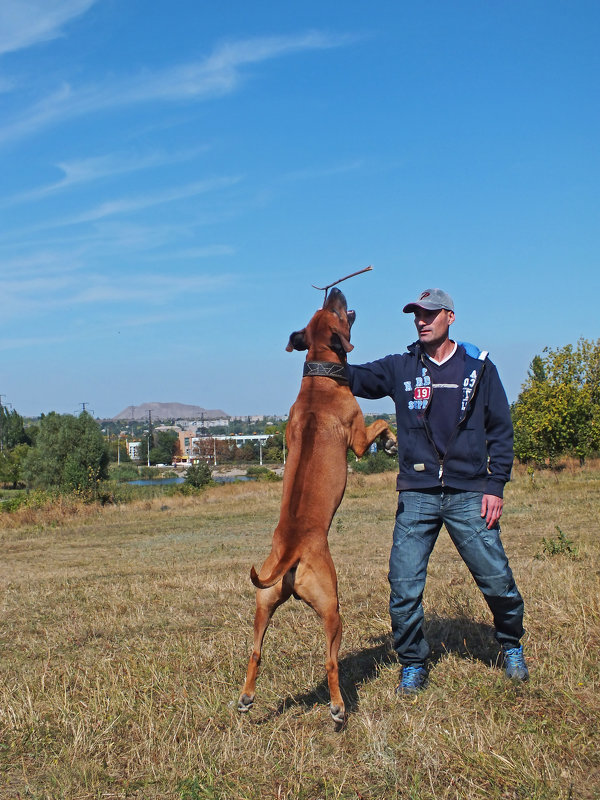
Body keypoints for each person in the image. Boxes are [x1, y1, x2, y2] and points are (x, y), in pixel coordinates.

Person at [347, 288, 528, 694]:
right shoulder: (401, 367)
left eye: (429, 314)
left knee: (496, 578)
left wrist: (494, 485)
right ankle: (413, 662)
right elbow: (355, 376)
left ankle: (511, 644)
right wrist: (329, 344)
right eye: (416, 315)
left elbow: (500, 430)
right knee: (404, 584)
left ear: (450, 317)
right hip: (418, 493)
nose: (421, 320)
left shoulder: (479, 369)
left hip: (469, 492)